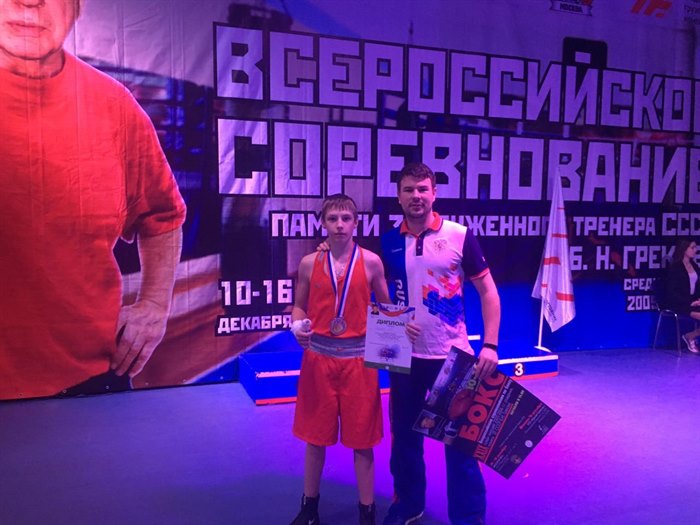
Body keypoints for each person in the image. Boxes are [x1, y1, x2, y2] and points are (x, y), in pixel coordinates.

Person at [0, 0, 186, 400]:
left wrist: (155, 304)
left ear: (77, 6)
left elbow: (163, 216)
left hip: (90, 383)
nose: (29, 2)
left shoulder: (113, 105)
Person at [380, 162, 501, 525]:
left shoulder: (459, 235)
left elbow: (488, 292)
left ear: (434, 193)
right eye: (408, 190)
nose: (416, 196)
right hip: (404, 358)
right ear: (398, 196)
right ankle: (408, 505)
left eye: (422, 189)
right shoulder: (388, 241)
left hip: (454, 358)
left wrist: (491, 345)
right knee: (404, 440)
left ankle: (468, 518)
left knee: (460, 446)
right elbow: (379, 294)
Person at [289, 194, 391, 525]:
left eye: (346, 218)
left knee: (363, 442)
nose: (339, 225)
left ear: (356, 223)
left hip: (358, 363)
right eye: (333, 219)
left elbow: (387, 311)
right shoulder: (309, 263)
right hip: (318, 360)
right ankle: (309, 508)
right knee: (315, 438)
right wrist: (296, 325)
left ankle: (367, 512)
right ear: (322, 223)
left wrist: (396, 340)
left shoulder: (372, 262)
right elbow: (299, 306)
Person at [664, 238, 700, 353]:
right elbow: (672, 292)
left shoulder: (695, 266)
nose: (695, 250)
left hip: (693, 302)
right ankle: (690, 337)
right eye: (692, 247)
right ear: (684, 249)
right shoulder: (675, 268)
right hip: (679, 303)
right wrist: (689, 302)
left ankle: (690, 336)